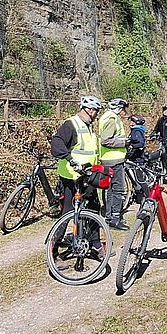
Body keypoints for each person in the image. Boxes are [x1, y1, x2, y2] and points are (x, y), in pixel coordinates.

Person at [50, 96, 105, 257]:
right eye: (96, 111)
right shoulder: (71, 124)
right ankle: (53, 251)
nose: (96, 115)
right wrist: (70, 160)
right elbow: (57, 143)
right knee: (67, 212)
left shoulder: (88, 126)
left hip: (87, 176)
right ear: (90, 110)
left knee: (94, 207)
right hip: (71, 176)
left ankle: (95, 244)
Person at [99, 97, 130, 230]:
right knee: (117, 189)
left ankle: (109, 215)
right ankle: (115, 219)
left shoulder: (105, 117)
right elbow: (106, 140)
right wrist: (124, 142)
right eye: (122, 109)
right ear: (118, 108)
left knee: (109, 189)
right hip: (114, 160)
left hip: (107, 159)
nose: (123, 112)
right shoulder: (112, 119)